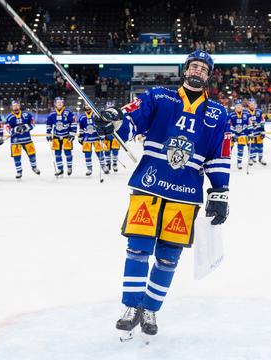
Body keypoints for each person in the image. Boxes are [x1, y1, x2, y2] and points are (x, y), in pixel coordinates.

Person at [96, 51, 231, 339]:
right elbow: (131, 120)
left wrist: (220, 191)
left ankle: (151, 307)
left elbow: (219, 154)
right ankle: (131, 307)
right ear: (185, 70)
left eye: (203, 69)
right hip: (149, 185)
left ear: (209, 76)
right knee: (138, 248)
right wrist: (114, 120)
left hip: (185, 194)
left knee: (168, 258)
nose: (198, 71)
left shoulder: (218, 113)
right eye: (193, 66)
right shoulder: (158, 97)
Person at [5, 100, 41, 179]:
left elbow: (33, 124)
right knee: (17, 156)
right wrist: (15, 129)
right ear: (11, 107)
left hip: (27, 139)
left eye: (17, 105)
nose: (16, 107)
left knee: (32, 154)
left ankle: (34, 167)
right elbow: (7, 128)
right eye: (14, 105)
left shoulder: (27, 115)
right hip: (15, 141)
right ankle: (19, 171)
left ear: (20, 106)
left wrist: (25, 127)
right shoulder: (9, 117)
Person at [46, 97, 76, 176]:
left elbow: (73, 123)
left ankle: (69, 167)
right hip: (56, 136)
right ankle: (60, 169)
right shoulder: (52, 114)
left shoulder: (68, 113)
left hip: (66, 136)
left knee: (68, 153)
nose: (59, 104)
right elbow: (49, 125)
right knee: (57, 154)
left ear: (63, 103)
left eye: (61, 102)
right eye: (58, 102)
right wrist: (48, 133)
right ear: (55, 104)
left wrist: (72, 133)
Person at [77, 103, 108, 176]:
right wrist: (80, 137)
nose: (87, 106)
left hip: (96, 138)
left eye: (88, 105)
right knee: (87, 154)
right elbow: (81, 129)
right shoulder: (82, 117)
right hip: (86, 139)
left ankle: (103, 166)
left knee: (100, 153)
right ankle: (89, 168)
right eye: (86, 105)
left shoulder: (96, 115)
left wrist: (102, 134)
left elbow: (101, 126)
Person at [228, 99, 248, 169]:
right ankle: (227, 162)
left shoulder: (247, 114)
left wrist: (251, 132)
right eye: (237, 106)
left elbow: (249, 124)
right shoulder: (231, 115)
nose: (238, 107)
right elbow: (229, 125)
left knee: (240, 149)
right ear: (235, 107)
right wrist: (232, 133)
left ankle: (239, 163)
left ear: (242, 106)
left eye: (240, 106)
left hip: (242, 134)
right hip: (233, 134)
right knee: (229, 149)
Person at [246, 98, 266, 166]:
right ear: (248, 105)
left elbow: (263, 121)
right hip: (250, 132)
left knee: (260, 146)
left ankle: (260, 158)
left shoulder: (259, 111)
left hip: (258, 132)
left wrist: (263, 131)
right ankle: (251, 158)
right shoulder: (245, 112)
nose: (252, 105)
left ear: (255, 104)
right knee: (251, 146)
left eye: (253, 104)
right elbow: (245, 122)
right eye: (250, 104)